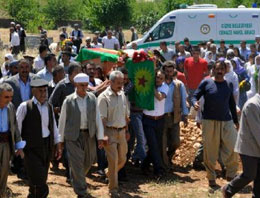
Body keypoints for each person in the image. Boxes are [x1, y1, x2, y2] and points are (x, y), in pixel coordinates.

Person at [191, 60, 239, 188]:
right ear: (213, 70)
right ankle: (211, 178)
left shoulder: (228, 84)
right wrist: (194, 103)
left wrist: (236, 121)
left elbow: (232, 105)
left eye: (222, 69)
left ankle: (231, 174)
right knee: (210, 151)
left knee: (233, 146)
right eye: (217, 69)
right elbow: (195, 96)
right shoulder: (207, 82)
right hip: (209, 121)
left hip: (226, 121)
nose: (219, 71)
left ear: (225, 70)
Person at [59, 73, 105, 198]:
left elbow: (97, 118)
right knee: (77, 162)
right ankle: (82, 192)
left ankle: (75, 175)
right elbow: (62, 120)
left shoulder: (92, 98)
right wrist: (60, 140)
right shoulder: (68, 100)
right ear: (76, 85)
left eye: (86, 85)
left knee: (89, 161)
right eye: (81, 85)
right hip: (73, 136)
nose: (84, 88)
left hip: (88, 135)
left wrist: (100, 137)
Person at [16, 78, 62, 198]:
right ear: (33, 91)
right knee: (38, 179)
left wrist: (57, 144)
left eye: (45, 91)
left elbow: (54, 127)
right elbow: (17, 129)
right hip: (31, 149)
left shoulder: (49, 107)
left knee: (40, 178)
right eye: (40, 91)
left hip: (46, 146)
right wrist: (19, 147)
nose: (43, 94)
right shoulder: (25, 106)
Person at [221, 91, 260, 198]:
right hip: (249, 147)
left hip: (258, 147)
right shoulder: (253, 104)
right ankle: (228, 189)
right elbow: (257, 130)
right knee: (249, 174)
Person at [97, 71, 130, 196]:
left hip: (121, 131)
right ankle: (113, 189)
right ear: (110, 82)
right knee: (113, 160)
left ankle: (109, 172)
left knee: (123, 159)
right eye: (118, 83)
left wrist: (127, 130)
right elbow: (102, 119)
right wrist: (103, 135)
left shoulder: (122, 95)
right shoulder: (103, 97)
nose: (121, 85)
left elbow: (126, 115)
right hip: (109, 132)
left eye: (122, 83)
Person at [142, 69, 169, 177]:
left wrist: (151, 86)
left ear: (164, 80)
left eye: (161, 78)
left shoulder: (165, 87)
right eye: (157, 77)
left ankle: (145, 165)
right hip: (148, 119)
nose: (158, 80)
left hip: (160, 120)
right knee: (153, 144)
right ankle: (159, 170)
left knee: (156, 145)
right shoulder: (147, 86)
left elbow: (159, 97)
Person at [0, 83, 25, 198]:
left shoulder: (11, 107)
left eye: (11, 97)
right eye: (6, 97)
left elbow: (15, 127)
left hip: (6, 145)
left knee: (4, 171)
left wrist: (19, 146)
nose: (9, 100)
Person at [162, 61, 188, 168]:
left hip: (174, 117)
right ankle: (165, 165)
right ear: (164, 71)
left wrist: (185, 115)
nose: (169, 73)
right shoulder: (159, 84)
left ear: (174, 72)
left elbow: (183, 100)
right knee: (162, 144)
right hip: (161, 117)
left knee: (176, 142)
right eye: (167, 71)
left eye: (171, 71)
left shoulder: (178, 85)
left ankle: (168, 157)